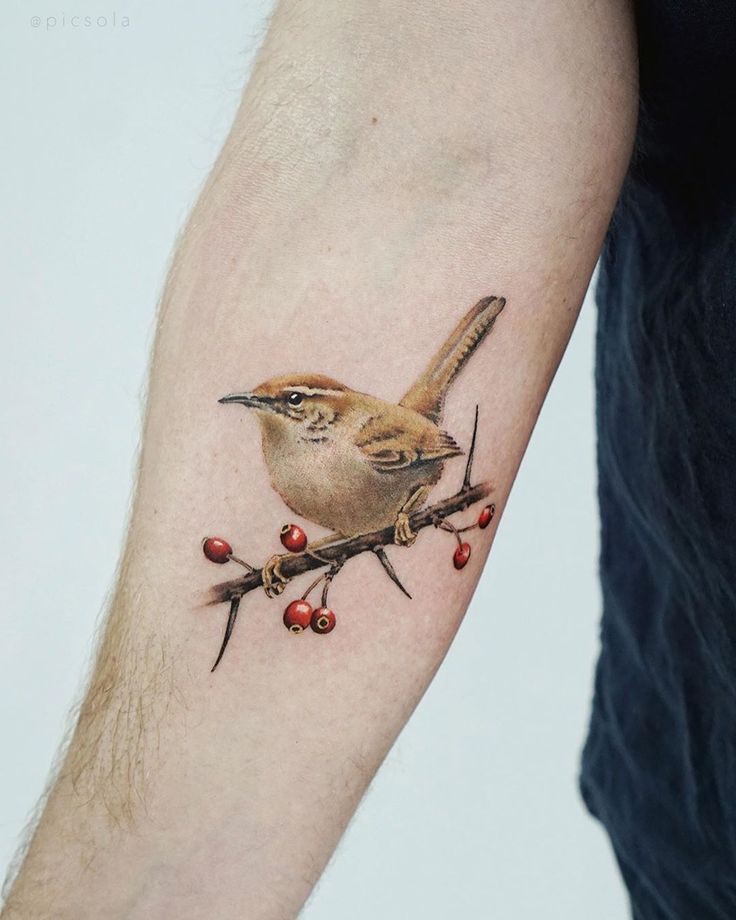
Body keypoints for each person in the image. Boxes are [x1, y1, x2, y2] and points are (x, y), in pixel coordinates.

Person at [3, 0, 725, 917]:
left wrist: (404, 518)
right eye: (267, 403)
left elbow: (430, 449)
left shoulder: (371, 439)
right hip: (704, 763)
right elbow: (425, 141)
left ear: (325, 413)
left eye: (290, 404)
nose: (271, 413)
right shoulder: (285, 467)